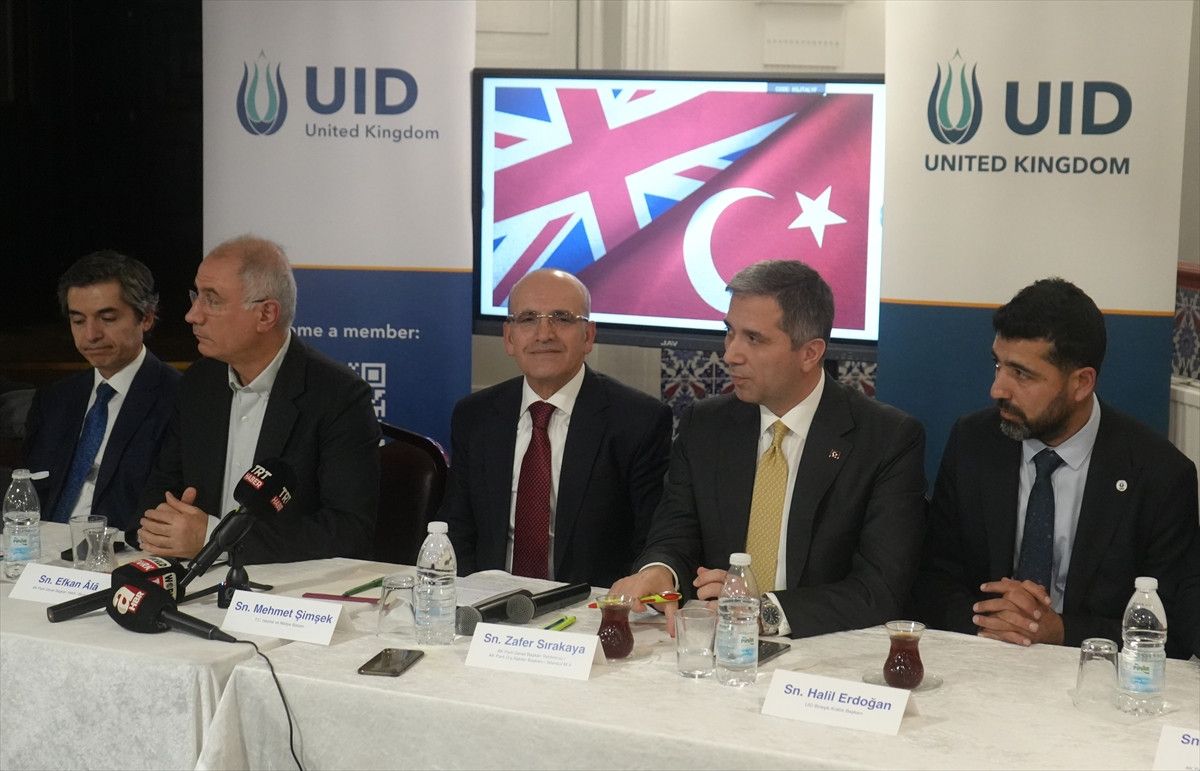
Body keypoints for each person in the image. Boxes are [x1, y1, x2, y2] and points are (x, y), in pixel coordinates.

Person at [611, 260, 927, 638]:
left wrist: (764, 612)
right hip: (715, 642)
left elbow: (880, 589)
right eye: (729, 333)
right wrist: (659, 571)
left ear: (810, 353)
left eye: (754, 339)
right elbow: (675, 532)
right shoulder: (705, 425)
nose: (730, 354)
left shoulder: (886, 439)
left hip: (824, 648)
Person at [909, 278, 1199, 656]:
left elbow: (1171, 627)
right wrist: (994, 621)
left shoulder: (1159, 474)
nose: (998, 389)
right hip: (982, 659)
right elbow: (932, 579)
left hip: (1094, 675)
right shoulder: (973, 443)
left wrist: (1060, 630)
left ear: (1081, 383)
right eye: (998, 365)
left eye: (1021, 373)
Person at [136, 236, 380, 564]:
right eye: (196, 296)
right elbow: (160, 489)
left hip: (283, 586)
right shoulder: (199, 383)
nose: (192, 315)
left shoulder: (338, 395)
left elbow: (349, 530)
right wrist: (160, 528)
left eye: (212, 300)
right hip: (191, 573)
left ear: (266, 315)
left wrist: (215, 539)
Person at [439, 269, 672, 587]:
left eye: (562, 318)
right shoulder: (475, 415)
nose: (544, 334)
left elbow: (652, 543)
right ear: (509, 338)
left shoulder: (638, 421)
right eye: (528, 319)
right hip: (488, 601)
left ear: (588, 336)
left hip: (588, 605)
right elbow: (457, 529)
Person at [24, 251, 180, 531]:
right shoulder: (54, 399)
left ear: (146, 318)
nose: (91, 335)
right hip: (41, 546)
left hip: (124, 550)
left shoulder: (179, 398)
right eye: (78, 321)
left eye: (107, 318)